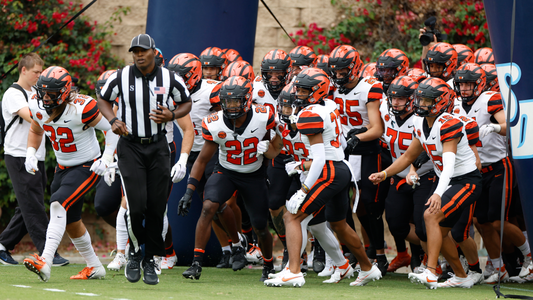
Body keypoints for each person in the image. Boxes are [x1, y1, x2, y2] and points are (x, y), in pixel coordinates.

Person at [264, 68, 382, 288]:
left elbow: (318, 158)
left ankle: (294, 271)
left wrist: (304, 189)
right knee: (337, 224)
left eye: (303, 90)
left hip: (328, 171)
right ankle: (366, 268)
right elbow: (341, 145)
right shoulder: (329, 106)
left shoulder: (311, 114)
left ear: (316, 91)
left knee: (292, 216)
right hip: (339, 168)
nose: (298, 94)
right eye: (297, 89)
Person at [369, 77, 482, 289]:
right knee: (442, 230)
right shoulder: (420, 122)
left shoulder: (449, 123)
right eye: (419, 99)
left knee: (430, 215)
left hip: (466, 181)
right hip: (448, 179)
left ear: (440, 102)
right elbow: (407, 157)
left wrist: (438, 193)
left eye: (427, 101)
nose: (421, 104)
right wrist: (384, 174)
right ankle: (461, 275)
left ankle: (431, 271)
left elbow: (448, 165)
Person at [97, 33, 192, 285]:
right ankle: (134, 252)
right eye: (135, 51)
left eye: (143, 51)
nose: (139, 55)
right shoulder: (121, 76)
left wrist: (171, 114)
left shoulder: (170, 77)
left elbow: (186, 103)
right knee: (136, 205)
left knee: (157, 207)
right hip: (130, 146)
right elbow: (103, 99)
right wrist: (113, 120)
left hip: (159, 147)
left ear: (153, 52)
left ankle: (151, 258)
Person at [23, 66, 118, 282]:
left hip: (87, 165)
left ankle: (45, 261)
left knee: (57, 203)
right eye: (43, 92)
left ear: (64, 92)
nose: (45, 97)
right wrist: (30, 152)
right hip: (62, 167)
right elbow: (36, 130)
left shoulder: (82, 107)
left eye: (52, 93)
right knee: (71, 220)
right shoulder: (36, 104)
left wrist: (107, 158)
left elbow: (113, 128)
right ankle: (94, 266)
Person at [178, 76, 276, 282]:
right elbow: (203, 160)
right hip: (226, 172)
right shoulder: (214, 123)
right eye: (227, 102)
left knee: (260, 225)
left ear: (248, 100)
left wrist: (268, 159)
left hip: (254, 174)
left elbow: (277, 145)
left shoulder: (263, 115)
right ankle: (196, 263)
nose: (231, 106)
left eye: (236, 101)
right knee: (208, 206)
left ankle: (268, 264)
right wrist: (189, 190)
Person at [453, 63, 532, 283]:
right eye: (461, 84)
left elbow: (510, 126)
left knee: (498, 220)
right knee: (480, 222)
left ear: (479, 83)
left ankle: (529, 257)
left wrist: (496, 127)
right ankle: (499, 268)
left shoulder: (490, 98)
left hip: (498, 165)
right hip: (475, 169)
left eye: (469, 84)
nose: (465, 89)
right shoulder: (456, 104)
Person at [0, 53, 68, 267]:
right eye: (36, 72)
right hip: (19, 155)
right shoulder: (14, 93)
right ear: (23, 70)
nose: (40, 77)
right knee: (34, 205)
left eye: (42, 72)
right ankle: (48, 252)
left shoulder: (38, 93)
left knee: (27, 205)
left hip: (36, 156)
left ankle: (2, 245)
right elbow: (33, 117)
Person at [329, 45, 388, 274]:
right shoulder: (330, 89)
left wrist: (357, 137)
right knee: (340, 203)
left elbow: (377, 129)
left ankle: (379, 253)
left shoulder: (369, 88)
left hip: (367, 149)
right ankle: (351, 252)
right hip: (342, 150)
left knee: (369, 205)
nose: (339, 75)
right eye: (336, 71)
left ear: (354, 68)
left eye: (343, 71)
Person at [379, 76, 432, 274]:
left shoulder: (422, 119)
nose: (396, 102)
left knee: (423, 226)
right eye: (393, 98)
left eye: (401, 98)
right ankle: (437, 248)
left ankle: (432, 259)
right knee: (396, 224)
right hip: (399, 175)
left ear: (412, 99)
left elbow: (429, 148)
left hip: (425, 175)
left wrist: (414, 169)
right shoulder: (386, 112)